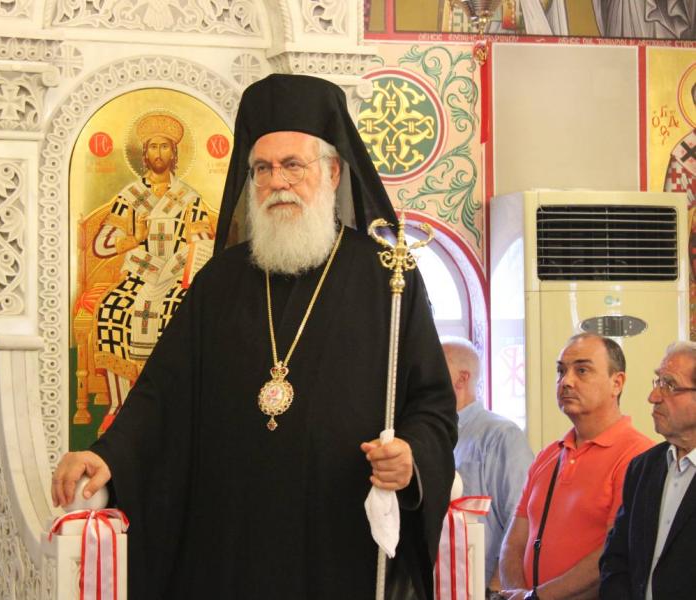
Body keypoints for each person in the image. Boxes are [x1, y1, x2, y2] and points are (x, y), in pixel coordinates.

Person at [51, 73, 457, 600]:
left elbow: (431, 403)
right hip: (230, 542)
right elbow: (162, 396)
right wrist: (109, 455)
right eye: (262, 169)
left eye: (292, 165)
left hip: (339, 544)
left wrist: (410, 456)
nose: (277, 182)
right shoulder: (220, 281)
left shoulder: (386, 277)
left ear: (333, 172)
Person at [499, 333, 654, 600]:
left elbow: (614, 554)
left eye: (582, 370)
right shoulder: (548, 455)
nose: (566, 381)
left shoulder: (638, 456)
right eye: (561, 371)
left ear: (617, 383)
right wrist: (519, 595)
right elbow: (513, 542)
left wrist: (538, 597)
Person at [87, 111, 214, 432]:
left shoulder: (189, 198)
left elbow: (203, 242)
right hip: (139, 275)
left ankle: (175, 405)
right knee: (112, 308)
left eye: (165, 146)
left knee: (178, 312)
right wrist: (134, 238)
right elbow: (101, 244)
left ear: (175, 153)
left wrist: (189, 256)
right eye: (153, 147)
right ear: (144, 154)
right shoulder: (130, 196)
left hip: (176, 277)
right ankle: (120, 405)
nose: (159, 153)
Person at [599, 341, 696, 599]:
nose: (653, 397)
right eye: (658, 382)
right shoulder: (643, 468)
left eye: (670, 385)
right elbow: (615, 559)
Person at [441, 336, 533, 593]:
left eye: (436, 367)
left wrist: (495, 588)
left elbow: (522, 517)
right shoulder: (435, 438)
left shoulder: (501, 435)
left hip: (482, 588)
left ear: (462, 378)